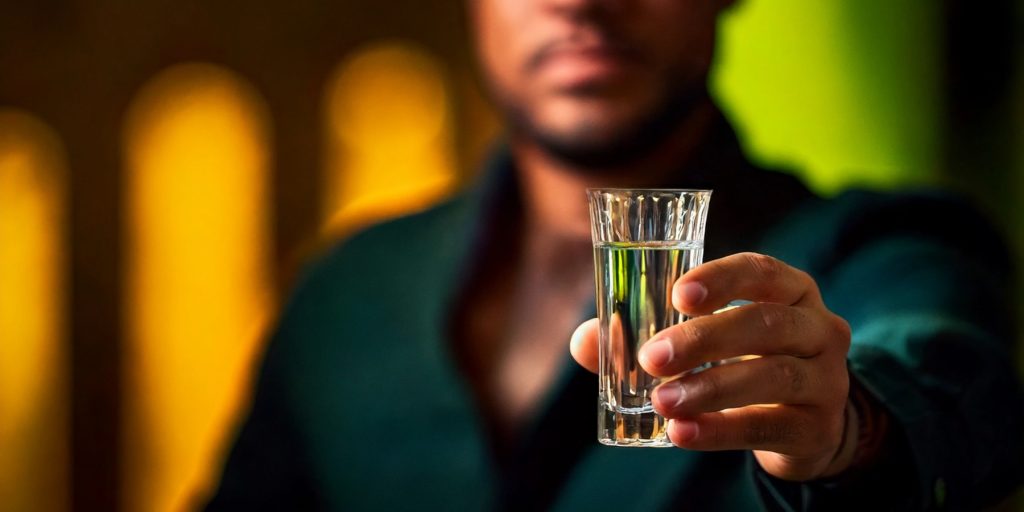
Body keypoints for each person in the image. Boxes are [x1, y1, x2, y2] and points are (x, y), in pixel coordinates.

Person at [206, 0, 1024, 509]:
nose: (583, 4)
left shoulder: (882, 252)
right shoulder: (346, 294)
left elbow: (947, 392)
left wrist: (847, 434)